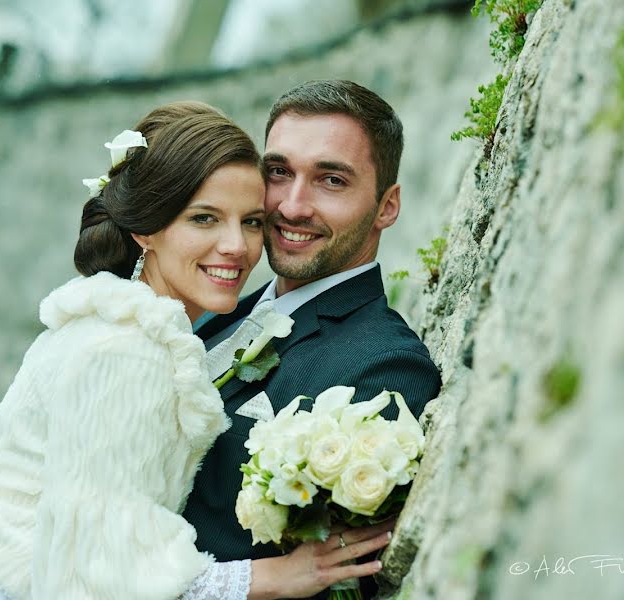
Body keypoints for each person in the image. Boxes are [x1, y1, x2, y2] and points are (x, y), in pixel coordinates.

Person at [0, 101, 393, 600]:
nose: (236, 246)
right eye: (204, 218)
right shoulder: (128, 350)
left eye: (251, 221)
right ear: (145, 229)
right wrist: (269, 578)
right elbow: (100, 568)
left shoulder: (113, 316)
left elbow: (22, 453)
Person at [182, 80, 442, 598]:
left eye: (331, 180)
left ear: (387, 206)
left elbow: (333, 584)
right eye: (279, 172)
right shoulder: (217, 307)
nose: (292, 206)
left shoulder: (386, 367)